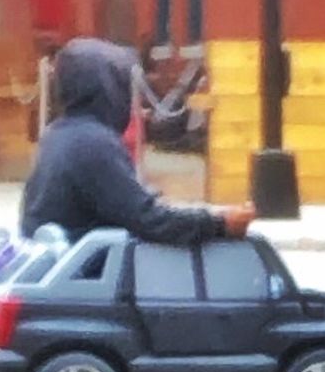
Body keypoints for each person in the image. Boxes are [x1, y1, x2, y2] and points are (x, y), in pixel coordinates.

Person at [22, 36, 255, 243]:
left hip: (64, 264)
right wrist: (220, 224)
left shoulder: (56, 135)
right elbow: (149, 220)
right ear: (108, 87)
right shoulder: (94, 144)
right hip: (94, 274)